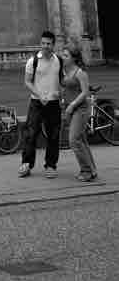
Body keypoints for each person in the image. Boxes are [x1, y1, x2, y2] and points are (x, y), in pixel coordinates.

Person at [18, 30, 63, 178]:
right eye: (43, 43)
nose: (45, 46)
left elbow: (63, 81)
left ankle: (50, 166)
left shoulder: (59, 61)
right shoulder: (33, 61)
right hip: (37, 102)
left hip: (53, 103)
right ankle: (26, 164)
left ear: (53, 45)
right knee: (31, 134)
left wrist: (60, 92)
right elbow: (27, 81)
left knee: (53, 135)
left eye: (49, 44)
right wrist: (39, 94)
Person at [62, 46, 98, 182]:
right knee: (82, 140)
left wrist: (71, 105)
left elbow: (85, 92)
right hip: (70, 108)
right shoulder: (65, 71)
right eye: (63, 55)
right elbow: (65, 87)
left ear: (73, 58)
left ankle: (86, 171)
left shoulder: (80, 73)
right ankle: (92, 170)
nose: (63, 57)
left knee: (74, 140)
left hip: (81, 109)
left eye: (66, 56)